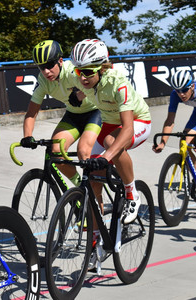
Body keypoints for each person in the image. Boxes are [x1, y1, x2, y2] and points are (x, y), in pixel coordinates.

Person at [70, 39, 152, 225]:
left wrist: (107, 157)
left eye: (88, 72)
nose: (82, 78)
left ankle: (132, 194)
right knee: (91, 176)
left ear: (102, 68)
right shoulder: (83, 78)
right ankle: (96, 236)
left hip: (138, 122)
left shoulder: (118, 83)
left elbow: (128, 127)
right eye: (79, 71)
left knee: (110, 143)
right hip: (109, 124)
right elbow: (80, 86)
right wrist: (76, 96)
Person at [21, 40, 101, 186]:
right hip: (73, 115)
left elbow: (97, 82)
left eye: (50, 65)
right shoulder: (43, 81)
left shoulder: (73, 71)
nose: (46, 72)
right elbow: (31, 113)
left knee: (83, 152)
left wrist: (80, 95)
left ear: (60, 61)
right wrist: (27, 136)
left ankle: (97, 201)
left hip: (95, 112)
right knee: (55, 151)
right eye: (41, 67)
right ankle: (81, 188)